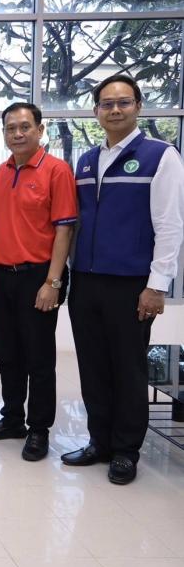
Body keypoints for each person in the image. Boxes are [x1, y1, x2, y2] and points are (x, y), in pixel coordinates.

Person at [63, 74, 184, 485]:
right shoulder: (86, 160)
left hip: (131, 282)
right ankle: (99, 441)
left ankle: (126, 450)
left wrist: (157, 285)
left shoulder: (160, 156)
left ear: (138, 106)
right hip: (86, 279)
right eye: (107, 104)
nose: (115, 110)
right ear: (96, 110)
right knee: (92, 365)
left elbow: (170, 225)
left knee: (128, 367)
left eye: (123, 102)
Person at [0, 103, 77, 459]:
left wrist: (53, 282)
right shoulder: (1, 172)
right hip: (1, 276)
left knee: (38, 357)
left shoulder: (56, 170)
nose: (17, 134)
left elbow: (64, 230)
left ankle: (39, 429)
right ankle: (12, 418)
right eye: (10, 128)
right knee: (8, 354)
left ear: (40, 130)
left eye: (24, 127)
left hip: (39, 276)